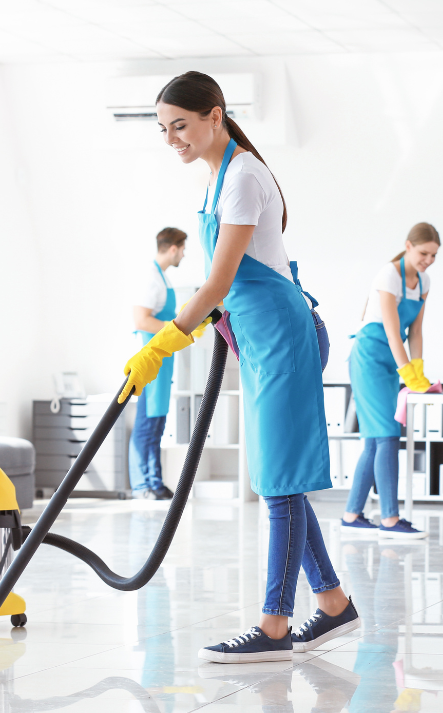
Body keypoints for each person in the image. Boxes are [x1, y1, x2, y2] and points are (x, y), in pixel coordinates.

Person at [118, 71, 359, 663]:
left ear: (215, 115)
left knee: (277, 484)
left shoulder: (244, 175)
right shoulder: (215, 180)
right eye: (164, 129)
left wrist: (162, 344)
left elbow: (221, 279)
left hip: (282, 335)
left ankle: (274, 628)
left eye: (181, 125)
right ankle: (333, 606)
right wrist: (206, 325)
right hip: (257, 337)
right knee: (282, 479)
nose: (172, 138)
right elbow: (223, 284)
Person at [343, 223, 441, 539]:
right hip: (371, 356)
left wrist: (419, 368)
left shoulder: (423, 281)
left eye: (434, 255)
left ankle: (352, 514)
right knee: (386, 434)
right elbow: (389, 328)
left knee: (375, 438)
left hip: (392, 360)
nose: (428, 259)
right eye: (424, 252)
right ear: (409, 246)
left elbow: (416, 331)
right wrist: (407, 373)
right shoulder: (389, 274)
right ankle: (389, 519)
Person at [128, 227, 187, 501]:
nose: (184, 254)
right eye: (183, 248)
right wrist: (173, 330)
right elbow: (141, 320)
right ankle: (142, 485)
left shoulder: (162, 278)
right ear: (173, 248)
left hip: (163, 360)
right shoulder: (150, 278)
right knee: (146, 421)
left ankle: (155, 481)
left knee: (157, 422)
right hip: (150, 358)